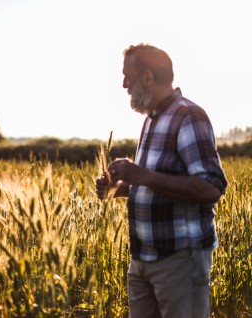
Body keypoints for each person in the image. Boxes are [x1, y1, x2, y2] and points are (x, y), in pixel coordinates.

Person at [96, 44, 227, 318]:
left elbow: (211, 187)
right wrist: (119, 188)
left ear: (147, 77)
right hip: (143, 258)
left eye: (127, 76)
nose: (123, 84)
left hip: (179, 259)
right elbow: (155, 183)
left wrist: (141, 174)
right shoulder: (152, 120)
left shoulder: (188, 116)